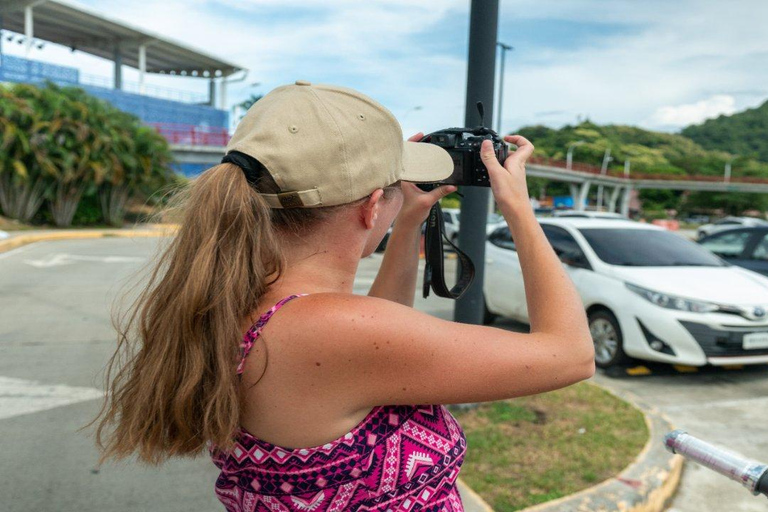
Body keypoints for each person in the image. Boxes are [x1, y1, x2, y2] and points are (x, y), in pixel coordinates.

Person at [91, 81, 594, 511]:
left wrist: (411, 215)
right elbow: (570, 355)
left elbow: (382, 347)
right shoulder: (332, 331)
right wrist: (519, 208)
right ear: (372, 206)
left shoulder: (241, 303)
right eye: (394, 188)